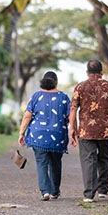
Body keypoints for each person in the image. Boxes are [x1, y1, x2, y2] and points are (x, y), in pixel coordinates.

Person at [69, 59, 108, 203]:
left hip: (86, 131)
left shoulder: (80, 87)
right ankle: (102, 190)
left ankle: (89, 195)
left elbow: (73, 109)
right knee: (105, 159)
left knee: (88, 160)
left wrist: (73, 128)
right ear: (102, 72)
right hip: (105, 130)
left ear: (87, 72)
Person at [18, 71, 77, 201]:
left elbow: (27, 115)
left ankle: (45, 191)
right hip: (58, 135)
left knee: (41, 162)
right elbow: (70, 115)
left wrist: (21, 132)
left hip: (38, 134)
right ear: (56, 82)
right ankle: (54, 191)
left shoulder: (36, 96)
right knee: (55, 163)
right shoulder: (63, 97)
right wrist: (73, 130)